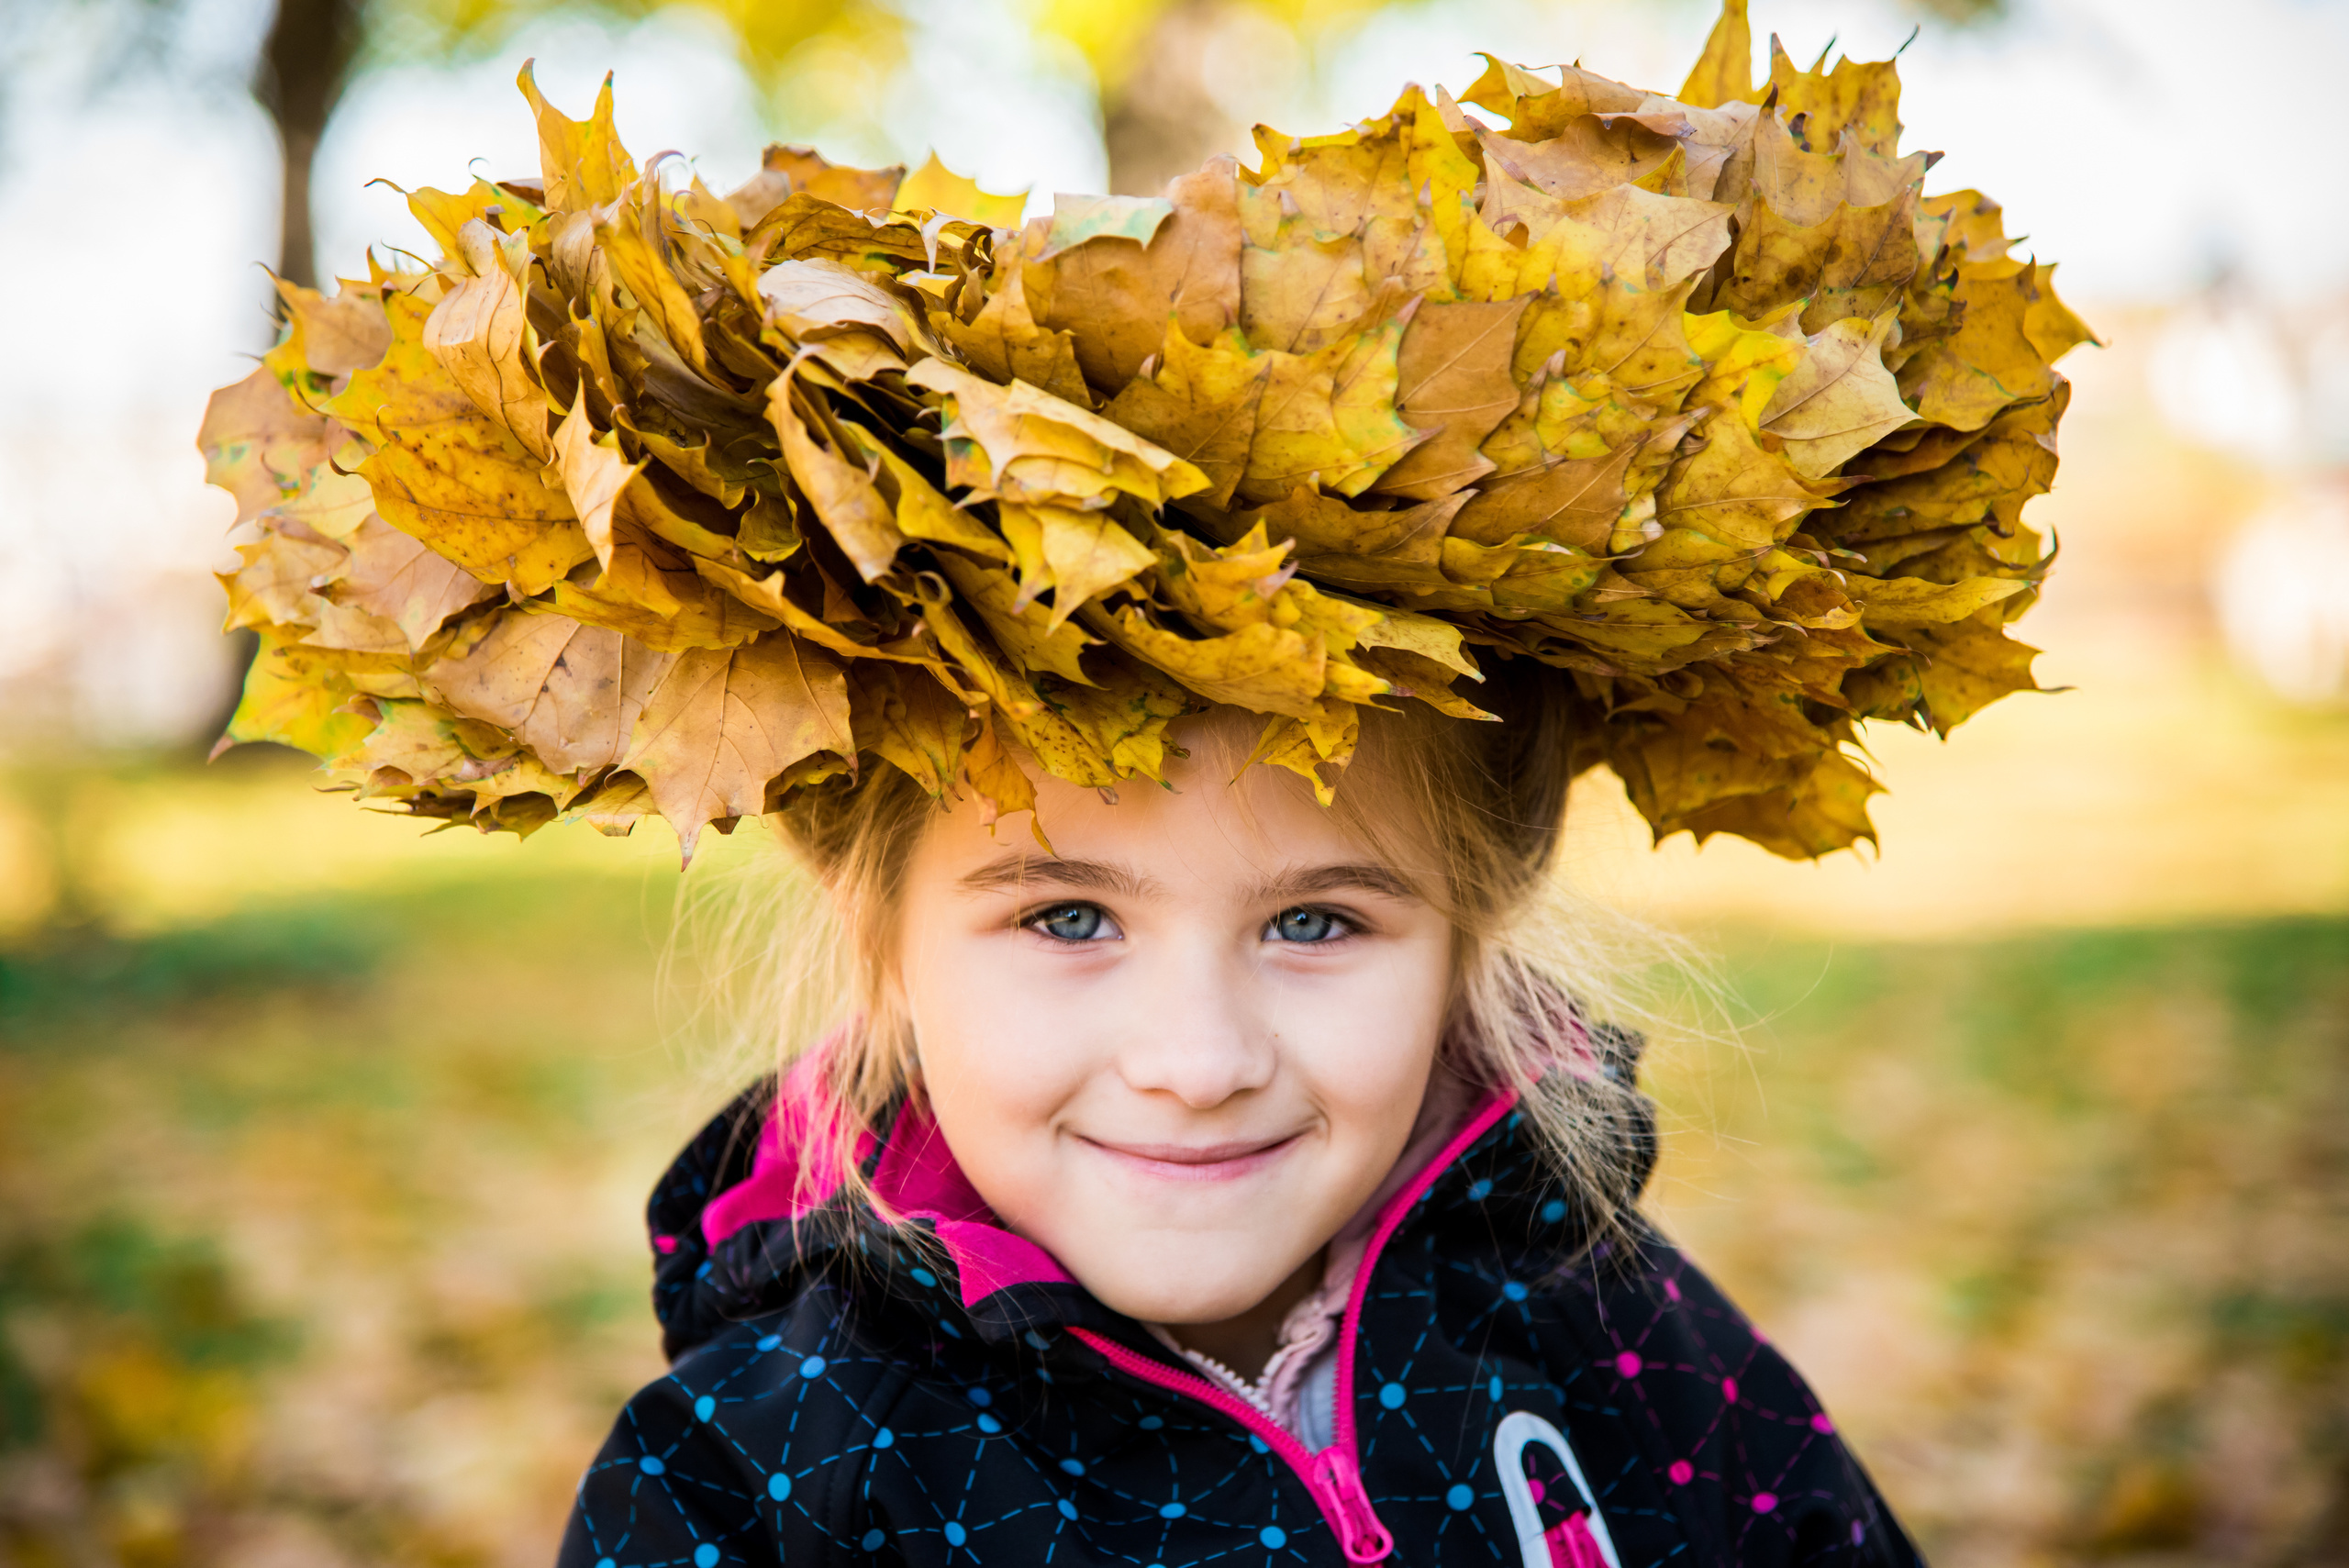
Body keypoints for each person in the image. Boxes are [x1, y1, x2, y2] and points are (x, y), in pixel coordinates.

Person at [555, 685, 1922, 1567]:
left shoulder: (1621, 1339)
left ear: (1462, 941)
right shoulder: (756, 1477)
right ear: (885, 937)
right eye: (1068, 917)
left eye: (1314, 921)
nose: (1199, 1062)